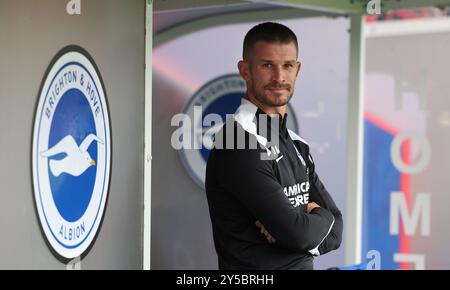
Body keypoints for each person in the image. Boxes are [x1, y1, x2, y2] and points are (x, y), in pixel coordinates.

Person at [205, 22, 343, 270]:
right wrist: (315, 219)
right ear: (245, 70)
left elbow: (337, 230)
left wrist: (302, 228)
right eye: (267, 65)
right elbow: (299, 234)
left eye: (287, 66)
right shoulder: (237, 143)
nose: (279, 77)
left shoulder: (296, 144)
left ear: (297, 70)